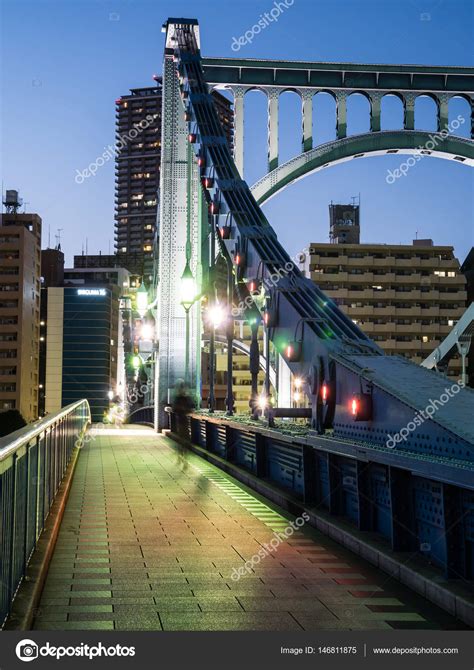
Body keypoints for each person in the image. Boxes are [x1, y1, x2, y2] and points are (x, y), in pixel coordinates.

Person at [171, 380, 195, 469]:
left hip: (183, 422)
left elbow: (191, 408)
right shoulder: (182, 398)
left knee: (183, 441)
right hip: (181, 422)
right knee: (183, 441)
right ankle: (182, 459)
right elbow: (191, 408)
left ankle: (182, 458)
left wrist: (183, 409)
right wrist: (185, 409)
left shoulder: (182, 398)